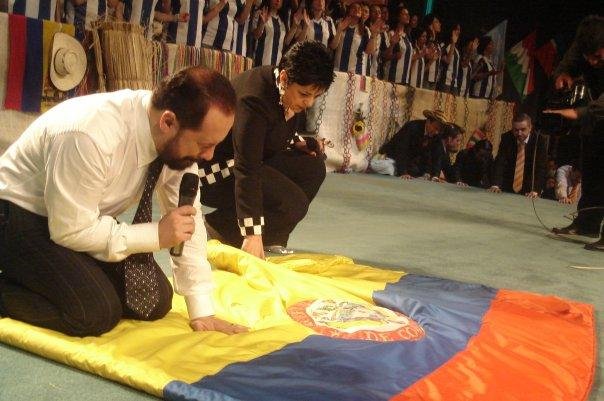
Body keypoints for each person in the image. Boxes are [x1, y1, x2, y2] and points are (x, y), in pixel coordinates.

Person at [0, 67, 248, 336]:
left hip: (77, 217)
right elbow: (69, 230)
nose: (209, 156)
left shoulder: (176, 141)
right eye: (203, 144)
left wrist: (202, 310)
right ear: (168, 122)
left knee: (153, 302)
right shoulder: (89, 135)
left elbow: (190, 221)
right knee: (94, 312)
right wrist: (156, 234)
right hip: (17, 213)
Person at [199, 41, 335, 260]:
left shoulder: (284, 92)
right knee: (292, 202)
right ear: (284, 78)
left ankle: (271, 237)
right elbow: (247, 166)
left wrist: (303, 142)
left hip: (245, 162)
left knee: (313, 167)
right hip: (213, 173)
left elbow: (267, 135)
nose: (309, 103)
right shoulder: (253, 99)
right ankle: (223, 229)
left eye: (315, 96)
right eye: (304, 94)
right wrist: (252, 232)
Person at [545, 15, 603, 251]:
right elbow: (567, 64)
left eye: (599, 57)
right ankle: (588, 222)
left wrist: (578, 113)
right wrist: (563, 75)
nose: (591, 62)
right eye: (589, 57)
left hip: (598, 107)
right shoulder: (585, 42)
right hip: (597, 113)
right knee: (592, 164)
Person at [488, 113, 548, 198]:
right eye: (516, 130)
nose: (519, 133)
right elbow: (500, 162)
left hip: (529, 190)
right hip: (507, 187)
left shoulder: (539, 141)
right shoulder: (507, 138)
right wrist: (496, 184)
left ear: (530, 127)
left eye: (523, 129)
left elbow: (541, 168)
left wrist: (536, 190)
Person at [378, 109, 448, 179]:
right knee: (387, 168)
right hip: (393, 156)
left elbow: (437, 157)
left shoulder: (436, 136)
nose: (436, 132)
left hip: (409, 163)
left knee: (417, 171)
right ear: (428, 122)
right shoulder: (412, 127)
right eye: (435, 128)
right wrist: (403, 172)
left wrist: (435, 176)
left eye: (438, 130)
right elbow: (401, 149)